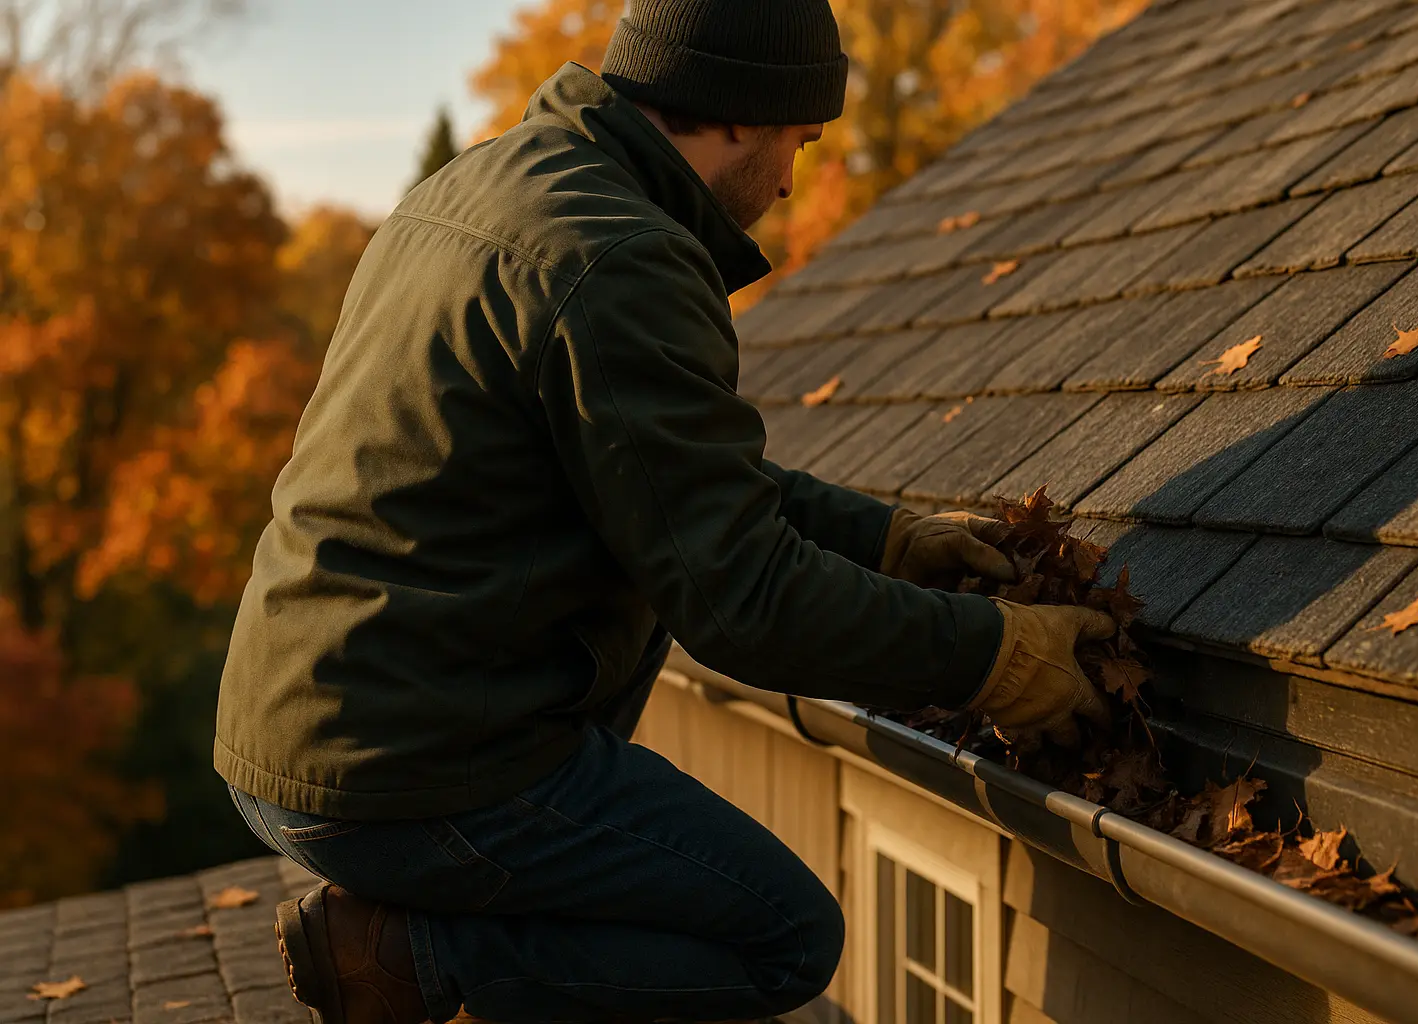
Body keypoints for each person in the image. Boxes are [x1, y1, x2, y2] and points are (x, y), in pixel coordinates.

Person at [215, 2, 1114, 1022]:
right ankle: (406, 956)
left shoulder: (481, 186)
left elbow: (663, 483)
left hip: (293, 732)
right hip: (406, 770)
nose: (791, 183)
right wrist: (995, 658)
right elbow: (745, 601)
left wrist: (888, 539)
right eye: (799, 143)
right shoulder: (620, 258)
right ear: (738, 113)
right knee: (783, 936)